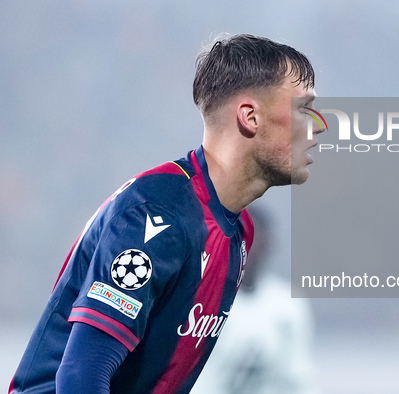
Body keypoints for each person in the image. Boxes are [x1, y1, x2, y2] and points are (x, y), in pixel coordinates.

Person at [9, 34, 323, 393]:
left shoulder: (240, 231)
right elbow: (81, 376)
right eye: (303, 110)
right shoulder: (157, 216)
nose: (317, 129)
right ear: (250, 117)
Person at [191, 205, 320, 394]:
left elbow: (298, 374)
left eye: (254, 238)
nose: (248, 247)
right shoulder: (201, 302)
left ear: (269, 243)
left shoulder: (288, 304)